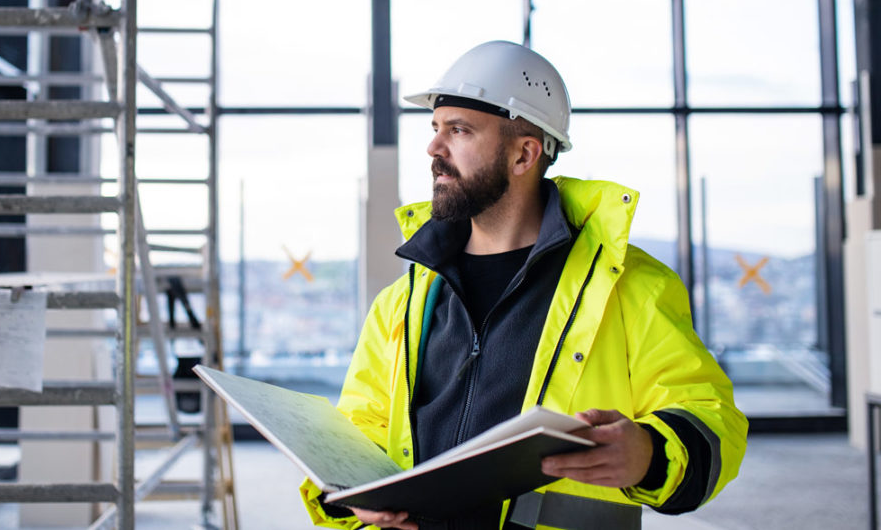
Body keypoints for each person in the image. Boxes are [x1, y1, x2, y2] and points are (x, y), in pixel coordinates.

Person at [298, 41, 748, 530]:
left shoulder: (631, 288)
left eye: (459, 130)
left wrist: (650, 453)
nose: (434, 149)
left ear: (524, 154)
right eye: (435, 129)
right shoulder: (403, 301)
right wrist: (344, 494)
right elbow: (360, 428)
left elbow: (712, 417)